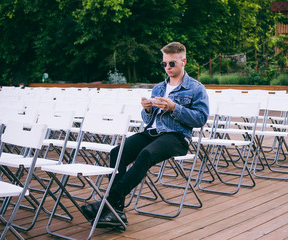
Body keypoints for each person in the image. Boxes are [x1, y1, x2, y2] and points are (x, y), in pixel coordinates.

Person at [81, 41, 209, 228]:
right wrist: (147, 109)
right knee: (117, 153)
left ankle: (108, 203)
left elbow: (200, 119)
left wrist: (174, 107)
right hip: (151, 133)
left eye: (171, 63)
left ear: (183, 61)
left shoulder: (196, 88)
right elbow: (148, 119)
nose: (167, 67)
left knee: (146, 154)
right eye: (164, 64)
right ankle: (117, 211)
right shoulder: (159, 88)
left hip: (176, 137)